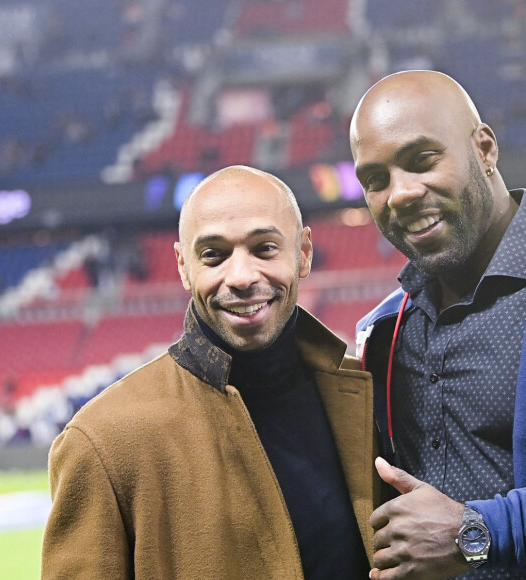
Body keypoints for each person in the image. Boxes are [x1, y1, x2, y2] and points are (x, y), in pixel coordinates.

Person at [40, 165, 379, 579]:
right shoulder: (102, 442)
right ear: (184, 267)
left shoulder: (368, 396)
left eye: (265, 248)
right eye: (213, 255)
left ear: (303, 252)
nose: (240, 277)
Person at [350, 69, 526, 579]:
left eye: (422, 160)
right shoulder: (383, 333)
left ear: (485, 149)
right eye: (375, 180)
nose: (399, 194)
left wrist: (477, 534)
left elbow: (459, 536)